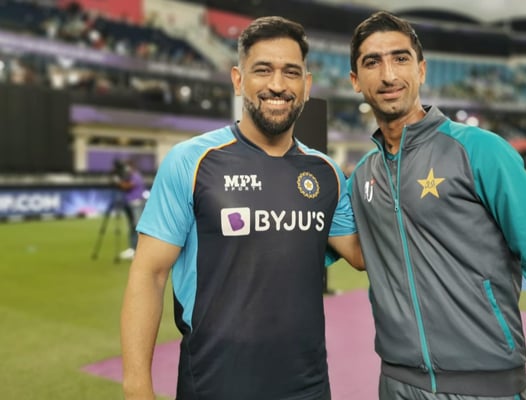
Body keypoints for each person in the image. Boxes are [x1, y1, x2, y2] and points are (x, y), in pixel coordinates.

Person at [120, 16, 363, 400]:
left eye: (291, 72)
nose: (277, 85)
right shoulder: (192, 161)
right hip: (215, 384)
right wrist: (137, 388)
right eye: (262, 70)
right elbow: (149, 274)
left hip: (308, 386)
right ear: (238, 79)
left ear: (307, 84)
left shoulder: (328, 172)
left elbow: (362, 254)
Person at [346, 11, 526, 400]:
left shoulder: (481, 151)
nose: (388, 75)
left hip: (488, 387)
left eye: (400, 58)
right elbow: (322, 244)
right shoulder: (362, 176)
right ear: (355, 80)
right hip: (396, 385)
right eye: (372, 62)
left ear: (421, 70)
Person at [113, 158, 146, 260]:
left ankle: (140, 250)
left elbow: (128, 186)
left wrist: (118, 182)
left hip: (136, 203)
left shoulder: (135, 176)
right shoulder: (129, 176)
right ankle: (133, 248)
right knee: (132, 226)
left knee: (137, 226)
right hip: (130, 203)